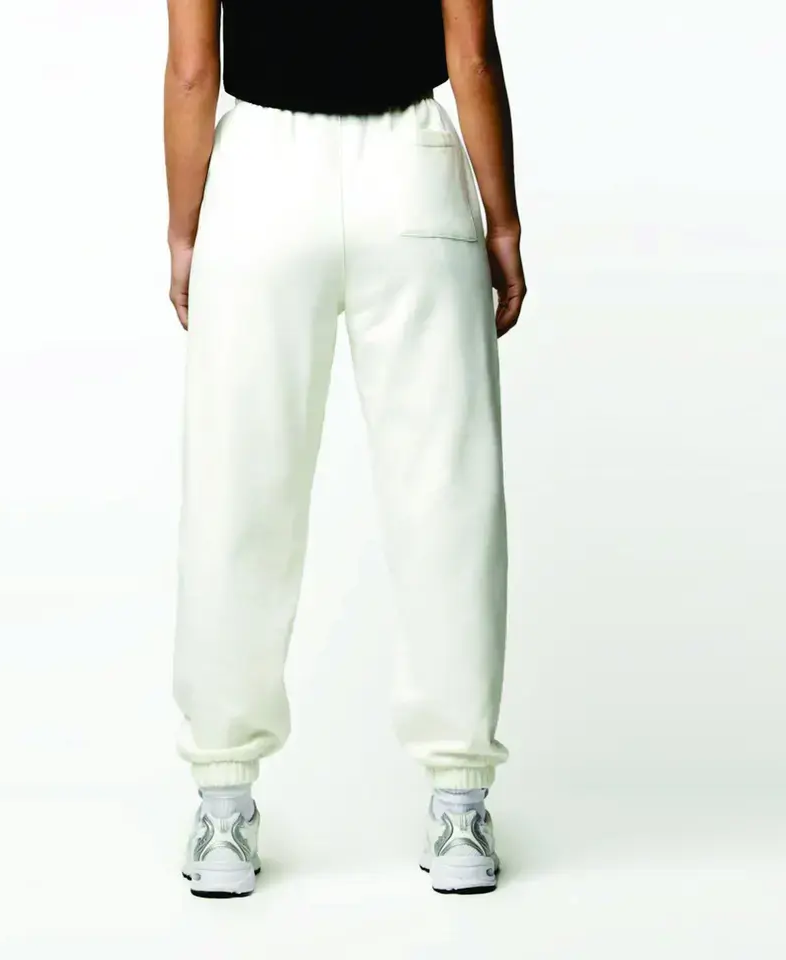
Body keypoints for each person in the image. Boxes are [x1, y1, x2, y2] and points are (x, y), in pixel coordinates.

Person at [163, 0, 526, 898]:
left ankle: (223, 809)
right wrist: (503, 223)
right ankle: (459, 806)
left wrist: (184, 229)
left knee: (237, 489)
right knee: (447, 491)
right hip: (412, 171)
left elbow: (193, 70)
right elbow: (473, 54)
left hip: (260, 180)